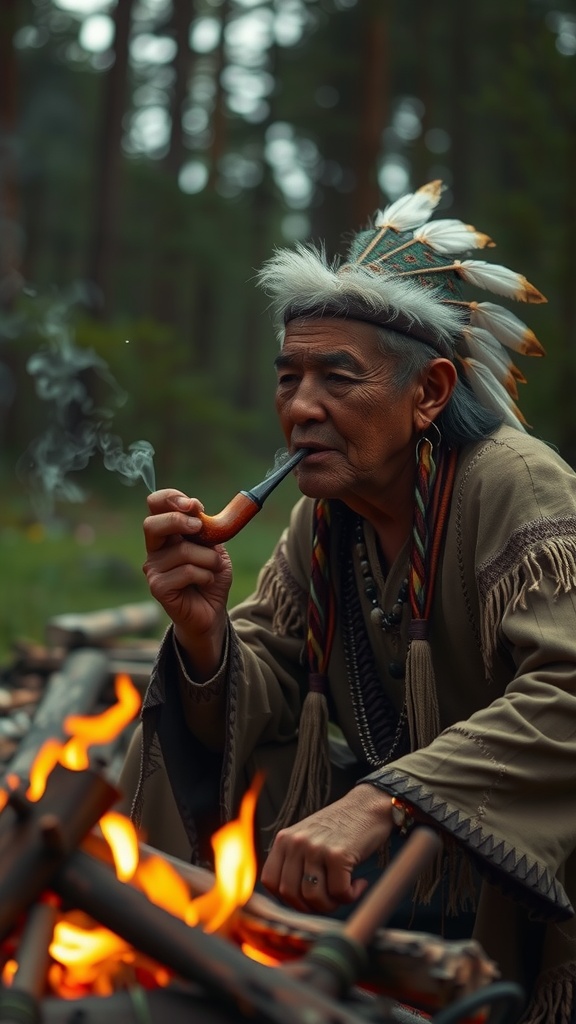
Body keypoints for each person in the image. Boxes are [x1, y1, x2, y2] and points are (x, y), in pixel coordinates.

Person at [119, 181, 576, 1023]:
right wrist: (204, 635)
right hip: (414, 870)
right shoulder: (321, 523)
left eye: (337, 377)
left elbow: (567, 697)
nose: (300, 409)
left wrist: (378, 801)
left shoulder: (515, 483)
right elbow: (259, 709)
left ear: (430, 393)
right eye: (288, 377)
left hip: (524, 880)